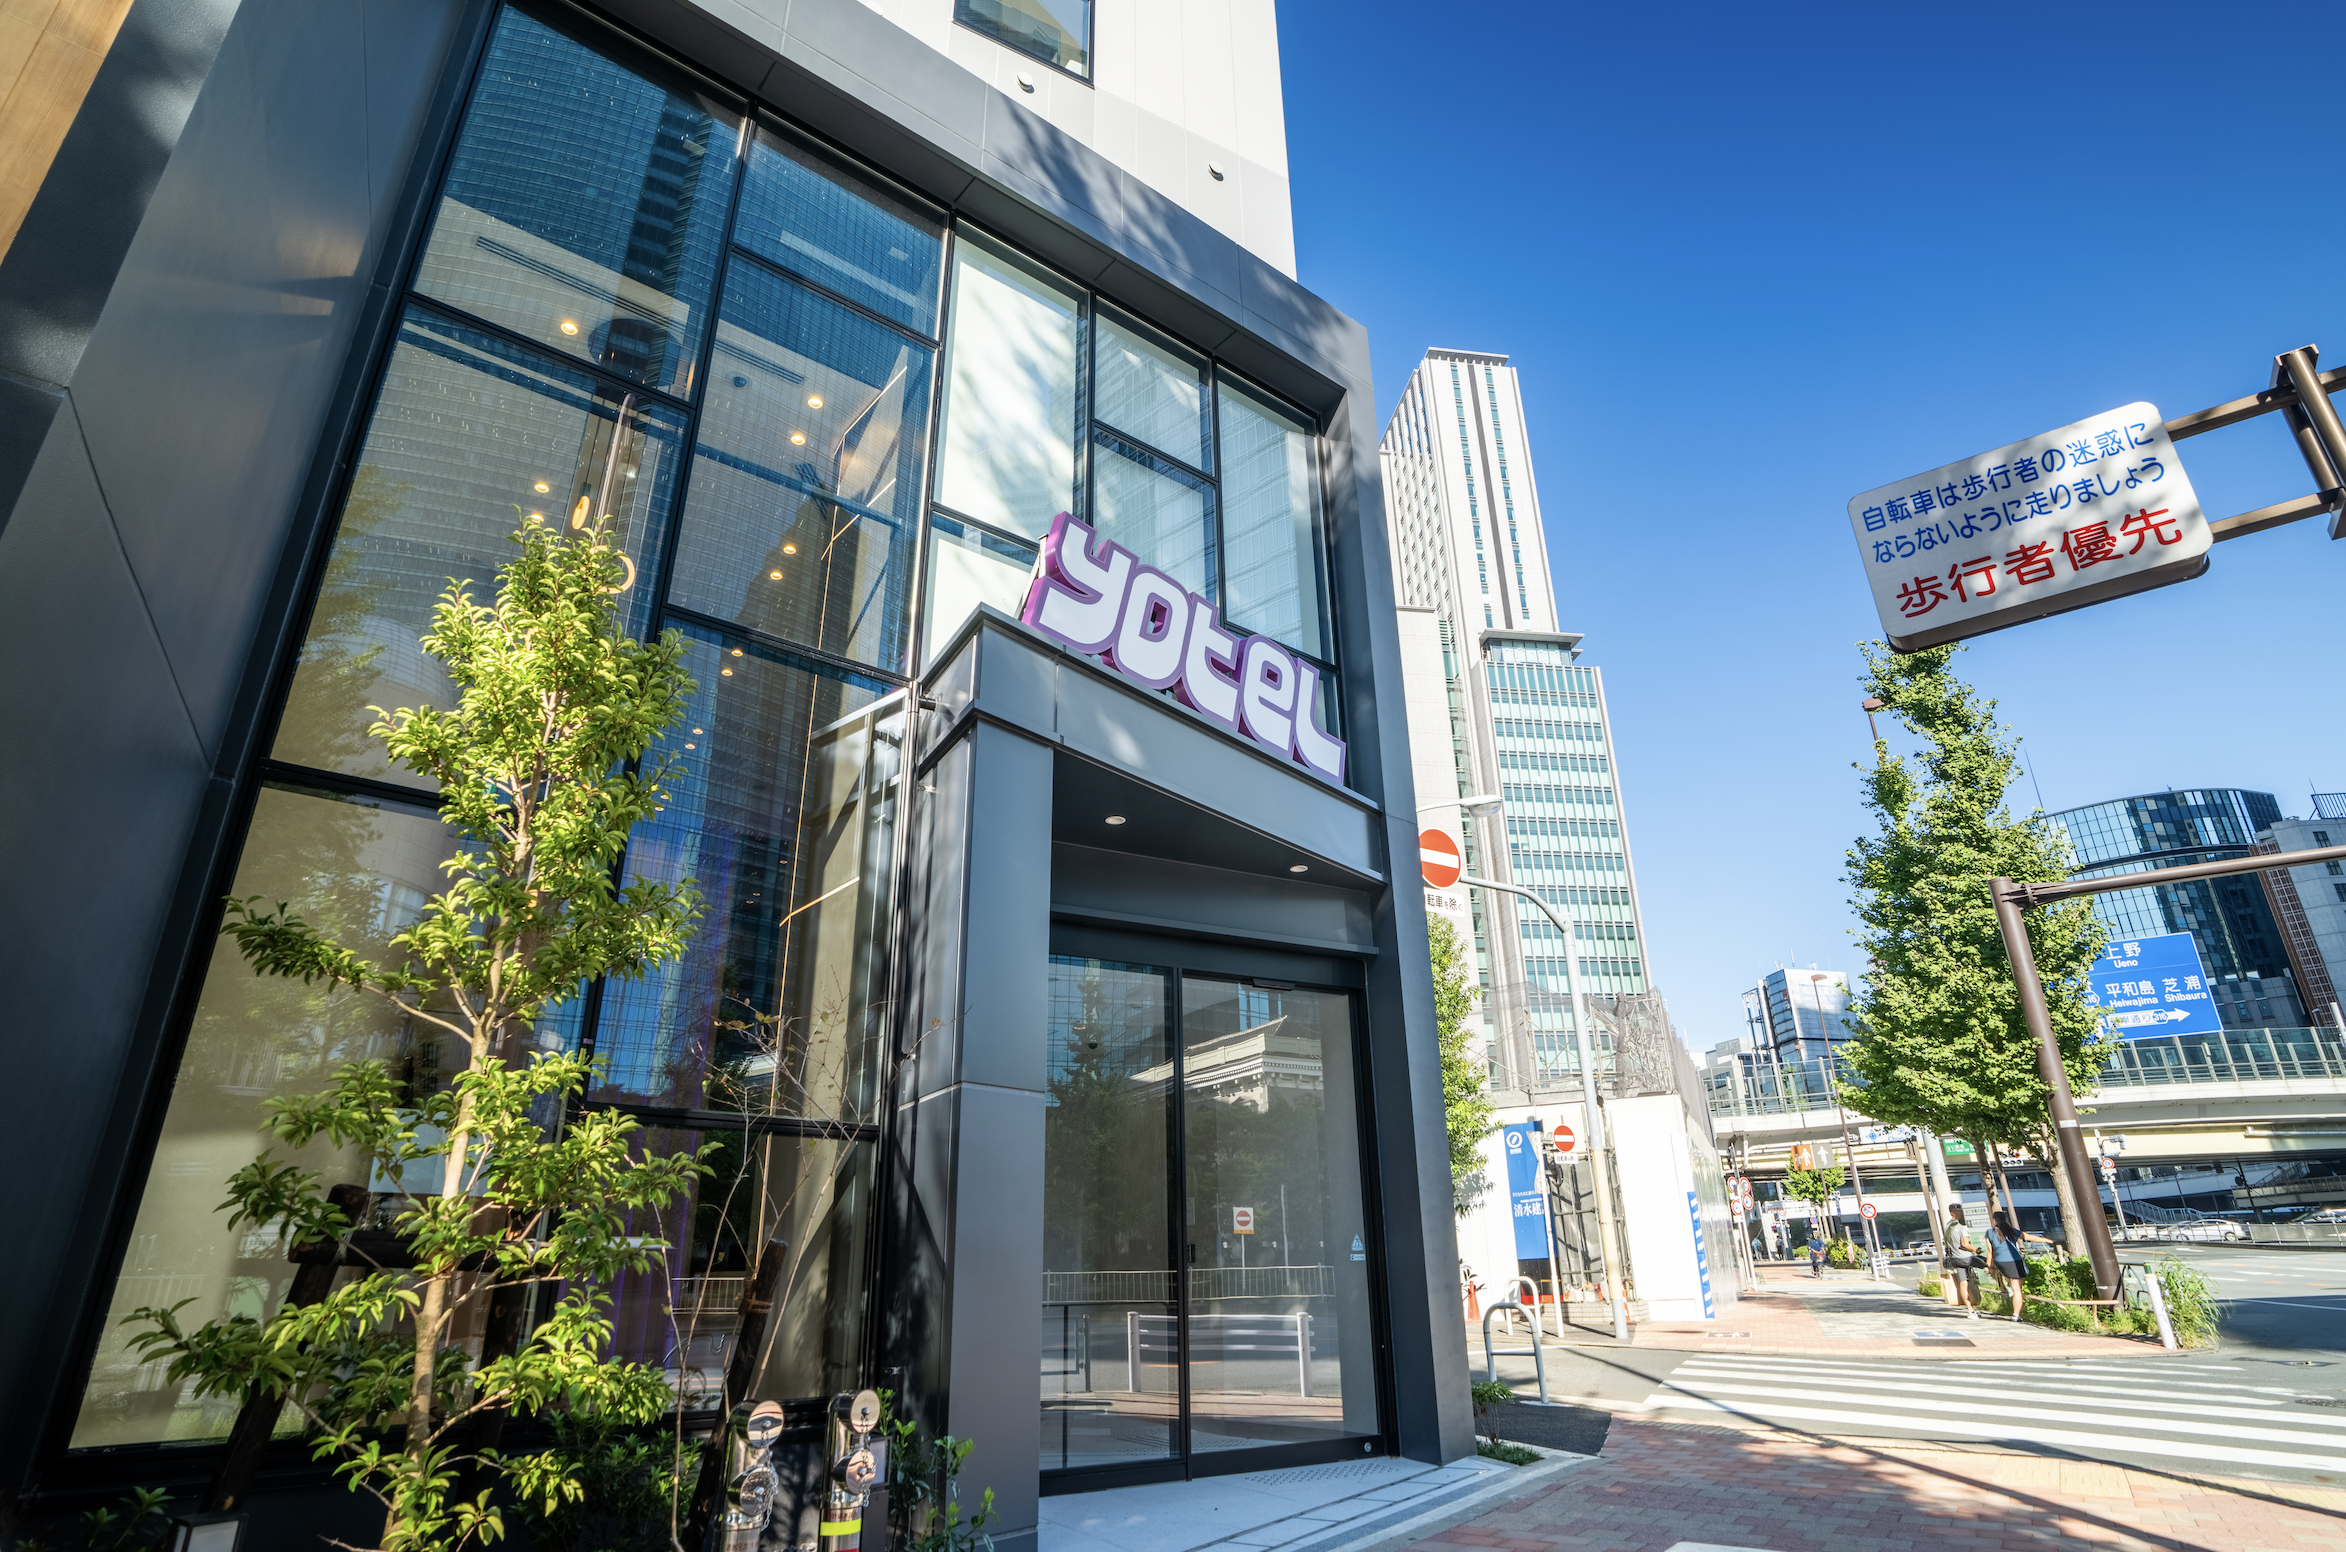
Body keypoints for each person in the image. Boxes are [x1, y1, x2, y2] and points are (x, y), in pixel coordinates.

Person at [1986, 1211, 2051, 1320]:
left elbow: (1989, 1251)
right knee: (2017, 1290)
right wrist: (2048, 1240)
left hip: (2000, 1262)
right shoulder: (2012, 1231)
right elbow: (2030, 1238)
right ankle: (2016, 1315)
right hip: (2014, 1261)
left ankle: (2004, 1285)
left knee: (2008, 1280)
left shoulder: (1989, 1232)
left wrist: (1989, 1266)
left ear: (1994, 1220)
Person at [1942, 1204, 1981, 1319]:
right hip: (1966, 1258)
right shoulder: (1962, 1226)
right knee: (1987, 1264)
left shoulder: (1948, 1226)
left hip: (1955, 1259)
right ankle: (2003, 1287)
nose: (1962, 1213)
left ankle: (1970, 1310)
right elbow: (1964, 1244)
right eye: (1959, 1211)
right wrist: (1976, 1250)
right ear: (1953, 1212)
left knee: (1963, 1283)